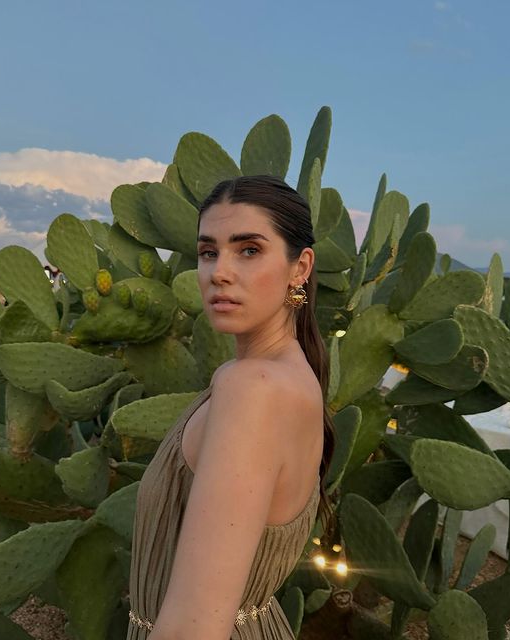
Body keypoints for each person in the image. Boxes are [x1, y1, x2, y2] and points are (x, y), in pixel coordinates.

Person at [127, 175, 335, 640]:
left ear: (299, 268)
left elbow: (193, 629)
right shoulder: (288, 375)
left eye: (248, 250)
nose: (219, 271)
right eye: (208, 252)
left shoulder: (252, 388)